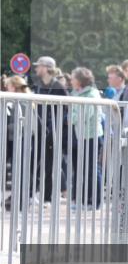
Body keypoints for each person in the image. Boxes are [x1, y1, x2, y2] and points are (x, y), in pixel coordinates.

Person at [31, 56, 68, 203]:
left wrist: (54, 127)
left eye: (39, 66)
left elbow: (66, 109)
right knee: (37, 162)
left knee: (49, 164)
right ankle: (40, 194)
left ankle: (47, 196)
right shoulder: (39, 85)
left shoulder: (58, 86)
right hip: (40, 130)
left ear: (47, 68)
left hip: (53, 132)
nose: (36, 69)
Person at [68, 67, 104, 209]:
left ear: (80, 80)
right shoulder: (77, 93)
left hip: (91, 136)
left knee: (92, 169)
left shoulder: (91, 94)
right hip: (80, 135)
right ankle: (82, 200)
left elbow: (85, 114)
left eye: (73, 78)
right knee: (81, 168)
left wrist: (70, 119)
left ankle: (94, 201)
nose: (71, 80)